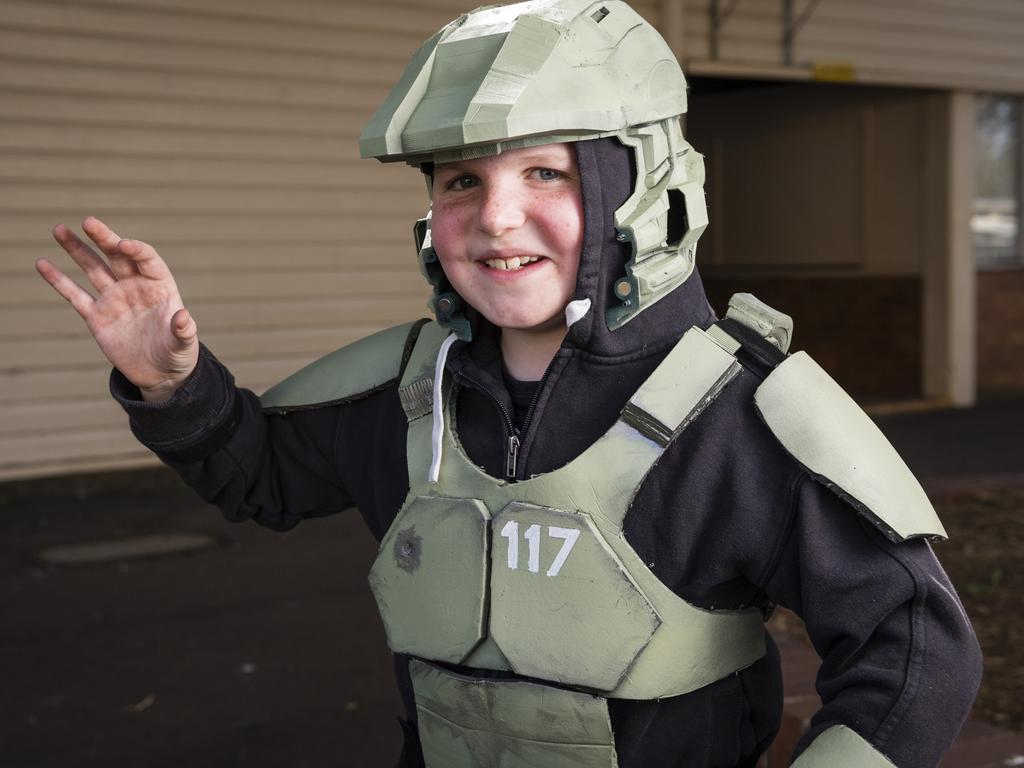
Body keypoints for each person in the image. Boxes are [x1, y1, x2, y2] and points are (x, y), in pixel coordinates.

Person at [36, 0, 982, 766]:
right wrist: (176, 382)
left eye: (548, 173)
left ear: (642, 196)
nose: (496, 219)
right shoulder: (405, 391)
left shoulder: (743, 419)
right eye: (458, 181)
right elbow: (260, 475)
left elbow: (915, 652)